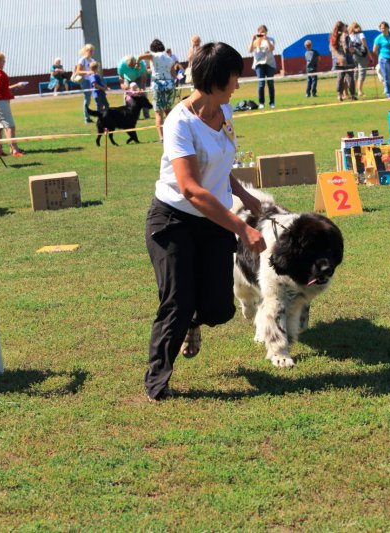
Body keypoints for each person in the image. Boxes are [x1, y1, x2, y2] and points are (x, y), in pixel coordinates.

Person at [144, 41, 266, 402]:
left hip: (212, 222)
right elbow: (192, 188)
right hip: (173, 221)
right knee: (177, 300)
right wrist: (241, 226)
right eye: (234, 77)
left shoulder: (225, 111)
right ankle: (157, 382)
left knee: (218, 308)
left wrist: (242, 194)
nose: (238, 85)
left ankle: (194, 323)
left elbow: (220, 163)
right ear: (216, 79)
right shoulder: (179, 123)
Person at [0, 51, 26, 157]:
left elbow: (0, 89)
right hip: (0, 102)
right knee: (10, 126)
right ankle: (15, 150)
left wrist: (16, 85)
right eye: (3, 60)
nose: (4, 62)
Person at [139, 39, 177, 143]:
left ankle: (161, 137)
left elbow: (141, 56)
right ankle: (173, 134)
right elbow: (174, 74)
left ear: (152, 48)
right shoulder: (170, 59)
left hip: (158, 86)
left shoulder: (154, 55)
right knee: (168, 111)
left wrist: (137, 62)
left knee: (158, 113)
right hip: (169, 85)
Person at [249, 25, 276, 109]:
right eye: (260, 32)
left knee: (270, 83)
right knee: (261, 84)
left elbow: (271, 49)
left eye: (263, 31)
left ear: (266, 32)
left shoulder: (271, 39)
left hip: (269, 63)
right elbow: (250, 51)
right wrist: (252, 40)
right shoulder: (256, 41)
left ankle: (272, 103)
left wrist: (266, 39)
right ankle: (261, 103)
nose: (262, 33)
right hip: (259, 64)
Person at [330, 21, 357, 102]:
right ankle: (352, 95)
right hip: (347, 59)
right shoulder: (345, 36)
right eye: (345, 26)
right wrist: (353, 49)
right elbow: (349, 48)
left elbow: (332, 50)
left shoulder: (333, 37)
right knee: (350, 78)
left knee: (340, 78)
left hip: (338, 60)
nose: (347, 28)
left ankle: (340, 95)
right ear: (342, 27)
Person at [373, 21, 390, 98]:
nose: (383, 29)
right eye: (381, 28)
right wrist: (381, 55)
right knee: (386, 77)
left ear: (388, 28)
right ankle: (389, 94)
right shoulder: (378, 38)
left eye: (385, 28)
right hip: (384, 59)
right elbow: (374, 50)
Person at [348, 22, 371, 98]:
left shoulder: (350, 36)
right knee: (362, 72)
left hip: (353, 55)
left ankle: (353, 90)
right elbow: (365, 46)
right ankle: (360, 91)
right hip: (361, 55)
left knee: (355, 73)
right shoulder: (361, 34)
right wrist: (370, 56)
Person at [75, 44, 96, 123]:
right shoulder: (82, 60)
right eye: (89, 51)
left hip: (91, 80)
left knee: (93, 98)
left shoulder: (93, 60)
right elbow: (78, 71)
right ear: (85, 51)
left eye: (92, 51)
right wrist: (88, 72)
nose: (90, 52)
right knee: (87, 99)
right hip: (85, 80)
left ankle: (94, 116)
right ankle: (86, 118)